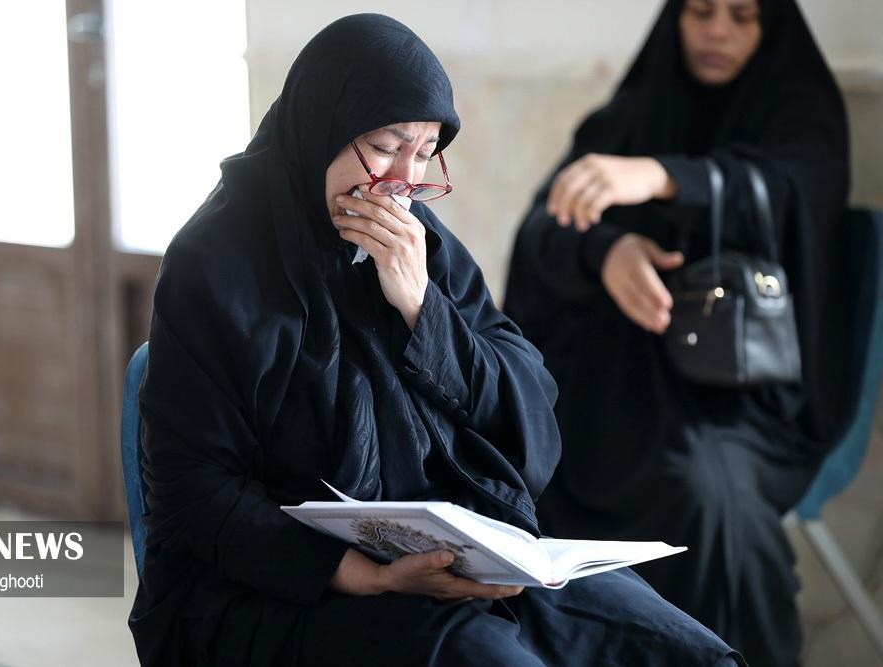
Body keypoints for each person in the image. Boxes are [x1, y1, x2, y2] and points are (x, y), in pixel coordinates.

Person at [128, 13, 743, 667]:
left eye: (423, 154)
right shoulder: (214, 263)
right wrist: (367, 575)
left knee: (683, 652)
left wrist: (421, 305)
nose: (402, 179)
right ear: (321, 125)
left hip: (449, 559)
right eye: (385, 146)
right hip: (280, 586)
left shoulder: (419, 242)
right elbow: (195, 492)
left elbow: (528, 405)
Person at [504, 1, 849, 665]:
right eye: (701, 11)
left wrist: (664, 177)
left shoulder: (804, 119)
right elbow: (544, 229)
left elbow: (782, 194)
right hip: (618, 386)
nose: (717, 30)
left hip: (745, 404)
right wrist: (606, 252)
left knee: (704, 493)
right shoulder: (631, 114)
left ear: (772, 28)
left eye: (743, 16)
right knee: (519, 461)